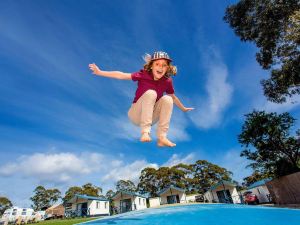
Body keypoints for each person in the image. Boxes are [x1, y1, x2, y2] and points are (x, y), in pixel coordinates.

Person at [89, 51, 194, 147]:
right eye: (157, 64)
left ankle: (162, 137)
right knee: (151, 93)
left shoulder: (167, 81)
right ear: (151, 66)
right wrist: (100, 72)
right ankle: (145, 132)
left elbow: (173, 97)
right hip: (136, 114)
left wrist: (183, 108)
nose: (160, 68)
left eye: (164, 65)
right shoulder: (143, 74)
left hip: (151, 116)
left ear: (167, 68)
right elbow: (121, 75)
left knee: (168, 99)